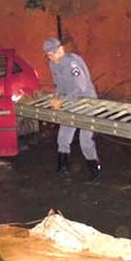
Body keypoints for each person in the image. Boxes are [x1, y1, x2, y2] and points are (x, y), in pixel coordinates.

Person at [42, 37, 102, 183]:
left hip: (86, 103)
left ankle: (95, 170)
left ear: (61, 50)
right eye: (49, 55)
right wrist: (56, 98)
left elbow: (80, 88)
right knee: (63, 137)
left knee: (85, 141)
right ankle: (63, 169)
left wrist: (61, 101)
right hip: (70, 103)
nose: (52, 58)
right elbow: (59, 85)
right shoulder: (53, 64)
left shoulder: (72, 62)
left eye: (54, 54)